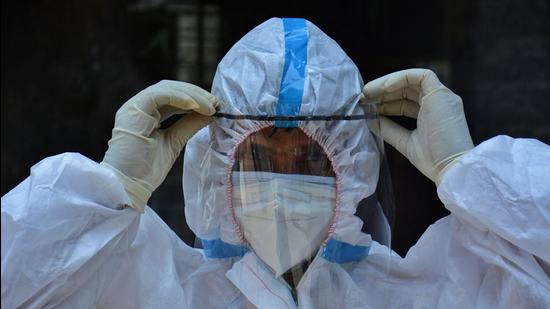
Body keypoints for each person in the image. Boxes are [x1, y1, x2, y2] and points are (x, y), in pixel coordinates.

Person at [1, 17, 549, 309]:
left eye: (311, 159)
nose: (283, 187)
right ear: (217, 170)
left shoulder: (422, 293)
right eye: (261, 156)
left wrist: (469, 172)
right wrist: (105, 193)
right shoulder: (146, 284)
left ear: (351, 170)